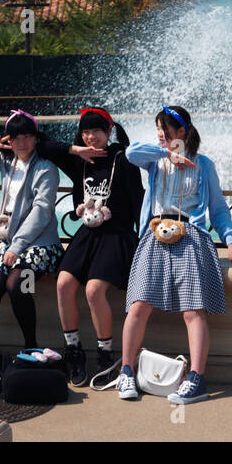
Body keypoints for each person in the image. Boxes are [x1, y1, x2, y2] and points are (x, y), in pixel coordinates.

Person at [117, 105, 232, 405]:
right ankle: (126, 370)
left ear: (183, 132)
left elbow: (218, 210)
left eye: (166, 130)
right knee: (138, 304)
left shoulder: (204, 165)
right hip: (154, 234)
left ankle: (196, 378)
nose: (161, 135)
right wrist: (166, 153)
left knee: (193, 310)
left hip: (189, 235)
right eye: (158, 129)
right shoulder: (155, 160)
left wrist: (231, 243)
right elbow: (130, 153)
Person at [41, 107, 145, 385]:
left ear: (108, 131)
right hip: (87, 235)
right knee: (63, 284)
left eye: (96, 131)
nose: (90, 137)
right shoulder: (79, 159)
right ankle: (74, 351)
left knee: (94, 290)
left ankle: (105, 356)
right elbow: (42, 144)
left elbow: (138, 201)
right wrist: (74, 150)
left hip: (117, 235)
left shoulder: (124, 159)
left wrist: (144, 241)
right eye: (85, 131)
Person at [0, 109, 63, 350]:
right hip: (5, 239)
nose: (22, 143)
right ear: (9, 139)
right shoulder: (6, 160)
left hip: (39, 243)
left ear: (36, 137)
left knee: (17, 285)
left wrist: (17, 247)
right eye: (16, 137)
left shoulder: (46, 169)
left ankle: (31, 346)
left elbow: (41, 212)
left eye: (27, 136)